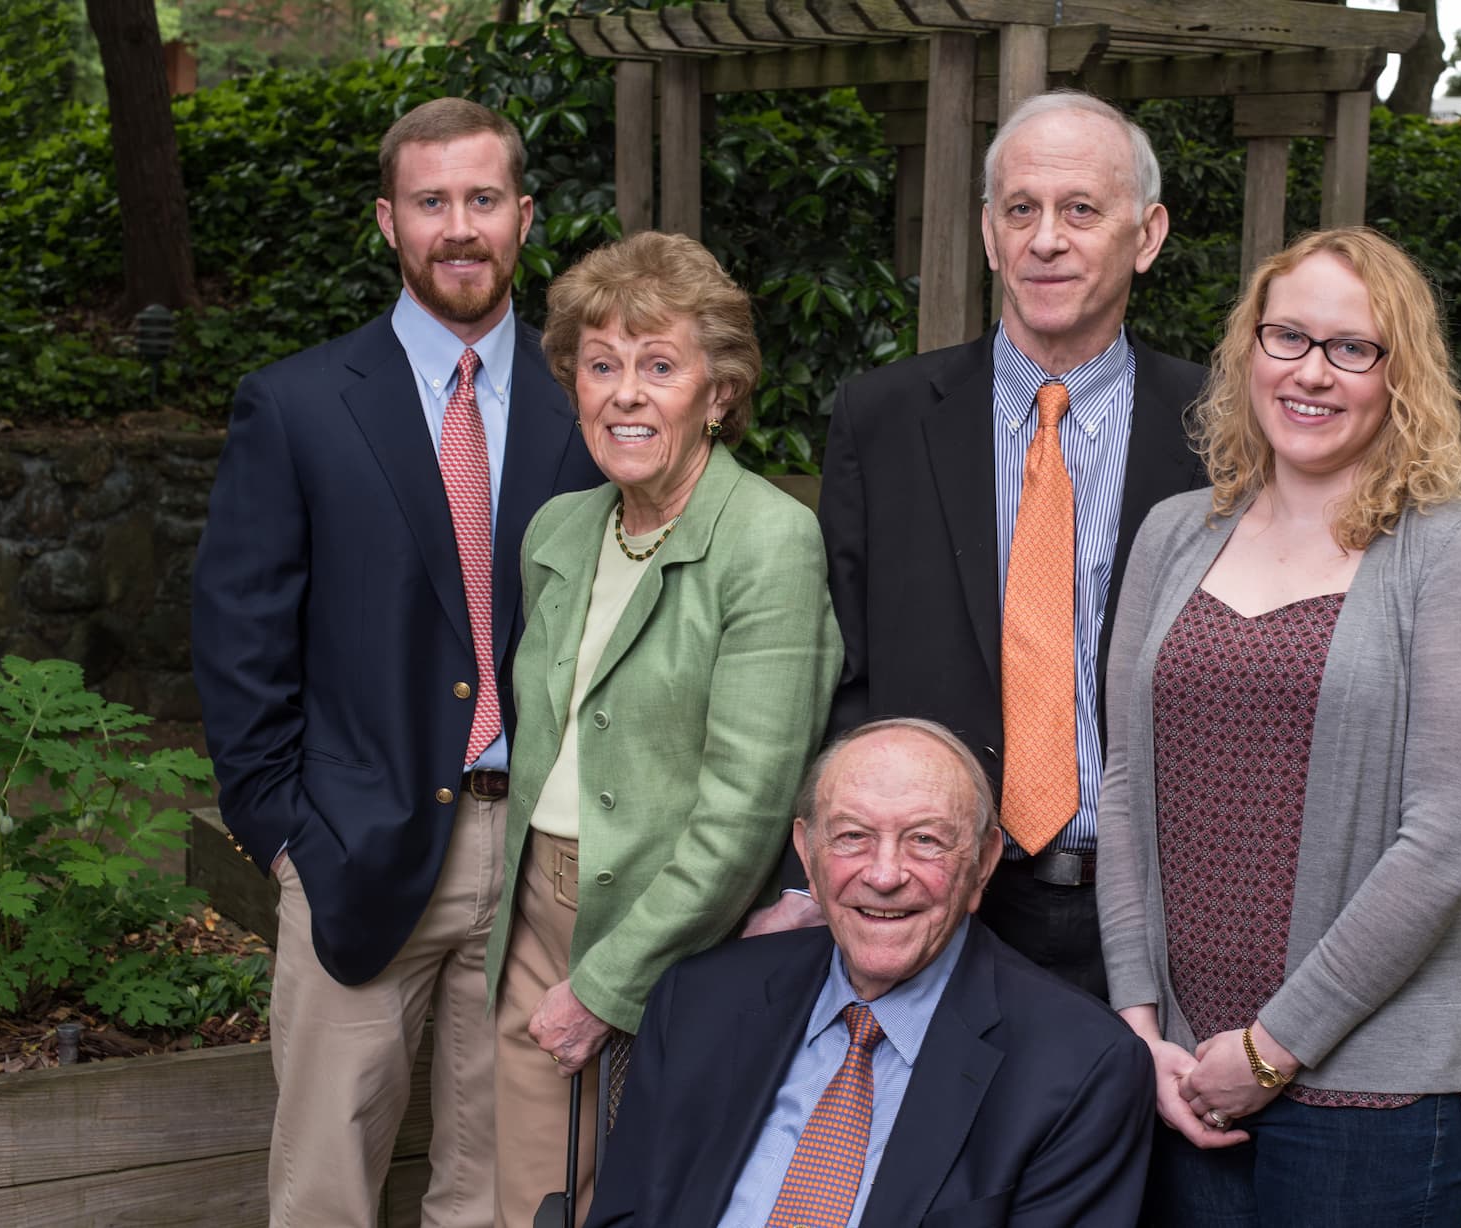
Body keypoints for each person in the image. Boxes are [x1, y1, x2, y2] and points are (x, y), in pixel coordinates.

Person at [190, 97, 604, 1227]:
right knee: (326, 1185)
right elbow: (240, 641)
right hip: (350, 852)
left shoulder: (593, 403)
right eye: (431, 202)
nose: (457, 227)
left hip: (541, 859)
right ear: (387, 222)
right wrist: (282, 835)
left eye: (482, 199)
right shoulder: (298, 405)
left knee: (502, 1191)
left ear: (524, 216)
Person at [1096, 226, 1461, 1225]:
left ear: (1400, 376)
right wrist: (1140, 1022)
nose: (1311, 372)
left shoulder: (1454, 556)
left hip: (1369, 1105)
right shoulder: (1174, 533)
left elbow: (1441, 844)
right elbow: (1125, 784)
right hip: (1181, 1071)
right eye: (1287, 336)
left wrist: (1269, 1048)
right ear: (1248, 350)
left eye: (1352, 347)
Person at [747, 89, 1207, 999]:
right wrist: (812, 877)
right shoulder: (881, 420)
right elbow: (844, 677)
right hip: (931, 907)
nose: (1046, 239)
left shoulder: (1221, 430)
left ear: (1147, 236)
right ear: (989, 233)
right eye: (1021, 210)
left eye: (1081, 210)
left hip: (1157, 916)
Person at [484, 230, 843, 1226]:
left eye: (659, 366)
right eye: (600, 366)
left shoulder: (769, 540)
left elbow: (745, 809)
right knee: (534, 1202)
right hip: (536, 911)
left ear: (718, 392)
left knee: (655, 1202)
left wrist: (606, 983)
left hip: (683, 936)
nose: (625, 394)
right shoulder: (557, 530)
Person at [590, 718, 1155, 1228]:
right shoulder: (697, 1001)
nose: (885, 875)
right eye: (853, 836)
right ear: (807, 853)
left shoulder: (1084, 1068)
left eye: (925, 840)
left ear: (984, 863)